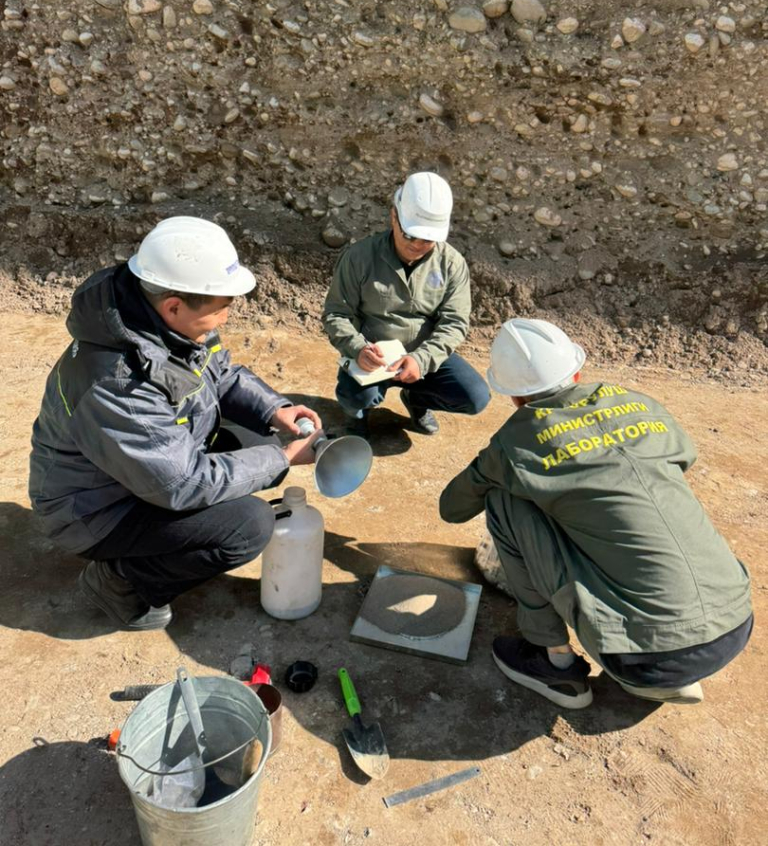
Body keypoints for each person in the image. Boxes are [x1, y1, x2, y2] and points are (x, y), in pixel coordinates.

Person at [440, 318, 753, 709]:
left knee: (505, 499)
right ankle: (674, 663)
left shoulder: (516, 442)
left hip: (646, 659)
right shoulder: (639, 402)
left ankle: (554, 662)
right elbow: (683, 458)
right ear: (576, 371)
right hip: (736, 622)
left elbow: (452, 508)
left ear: (515, 397)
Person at [29, 216, 321, 631]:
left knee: (259, 438)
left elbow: (219, 372)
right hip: (95, 511)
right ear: (173, 306)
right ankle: (119, 582)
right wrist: (283, 459)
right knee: (249, 525)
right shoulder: (117, 383)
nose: (226, 318)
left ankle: (153, 551)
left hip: (135, 472)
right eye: (222, 308)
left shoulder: (165, 322)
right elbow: (183, 484)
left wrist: (274, 410)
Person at [321, 172, 490, 437]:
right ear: (394, 216)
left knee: (475, 397)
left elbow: (455, 323)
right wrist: (358, 349)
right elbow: (336, 313)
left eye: (427, 239)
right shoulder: (359, 257)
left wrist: (422, 360)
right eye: (410, 235)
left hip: (424, 353)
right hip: (373, 357)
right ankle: (357, 417)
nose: (417, 245)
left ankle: (417, 400)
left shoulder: (451, 264)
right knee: (356, 396)